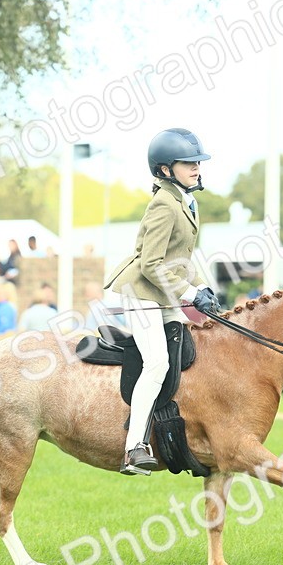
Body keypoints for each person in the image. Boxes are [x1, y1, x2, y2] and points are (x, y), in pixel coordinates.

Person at [103, 128, 222, 476]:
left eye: (198, 162)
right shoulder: (163, 205)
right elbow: (151, 263)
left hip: (163, 293)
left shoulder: (187, 202)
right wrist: (189, 295)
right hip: (142, 293)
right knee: (156, 362)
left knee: (186, 353)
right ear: (166, 170)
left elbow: (182, 258)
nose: (196, 168)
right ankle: (133, 448)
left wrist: (204, 287)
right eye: (188, 163)